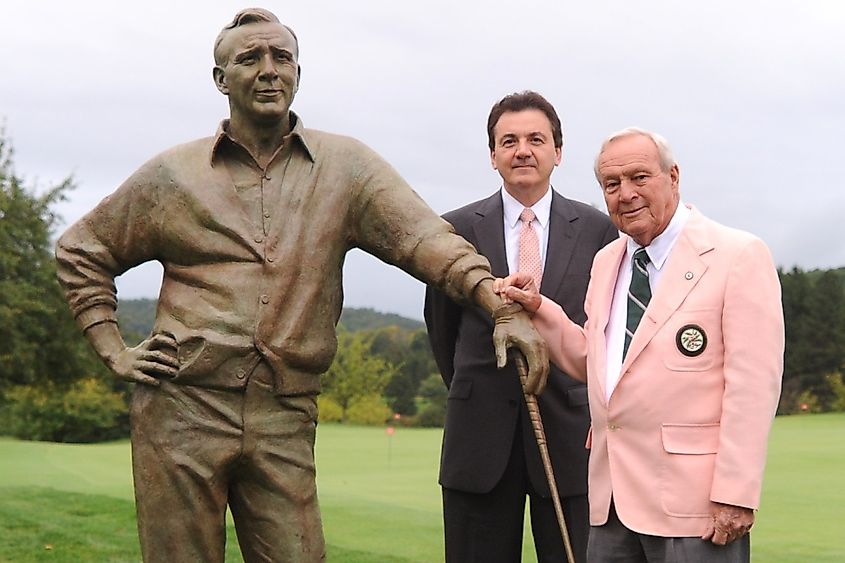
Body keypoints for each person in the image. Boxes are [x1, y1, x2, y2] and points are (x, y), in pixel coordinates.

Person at [55, 9, 549, 563]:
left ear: (297, 72)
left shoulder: (346, 168)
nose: (269, 70)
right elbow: (81, 250)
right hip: (180, 409)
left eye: (281, 57)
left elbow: (429, 243)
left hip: (284, 414)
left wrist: (500, 307)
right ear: (221, 80)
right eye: (249, 59)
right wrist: (112, 349)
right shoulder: (173, 176)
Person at [496, 127, 784, 562]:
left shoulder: (738, 255)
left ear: (673, 176)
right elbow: (595, 363)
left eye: (639, 178)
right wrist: (539, 309)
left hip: (696, 507)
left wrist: (736, 492)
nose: (625, 193)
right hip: (612, 503)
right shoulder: (607, 260)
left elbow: (753, 388)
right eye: (612, 184)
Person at [424, 91, 618, 563]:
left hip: (571, 437)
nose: (522, 150)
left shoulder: (599, 230)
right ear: (493, 155)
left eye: (536, 139)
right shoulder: (454, 231)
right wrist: (480, 388)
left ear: (558, 151)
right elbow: (441, 329)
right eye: (508, 141)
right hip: (479, 441)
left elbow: (605, 330)